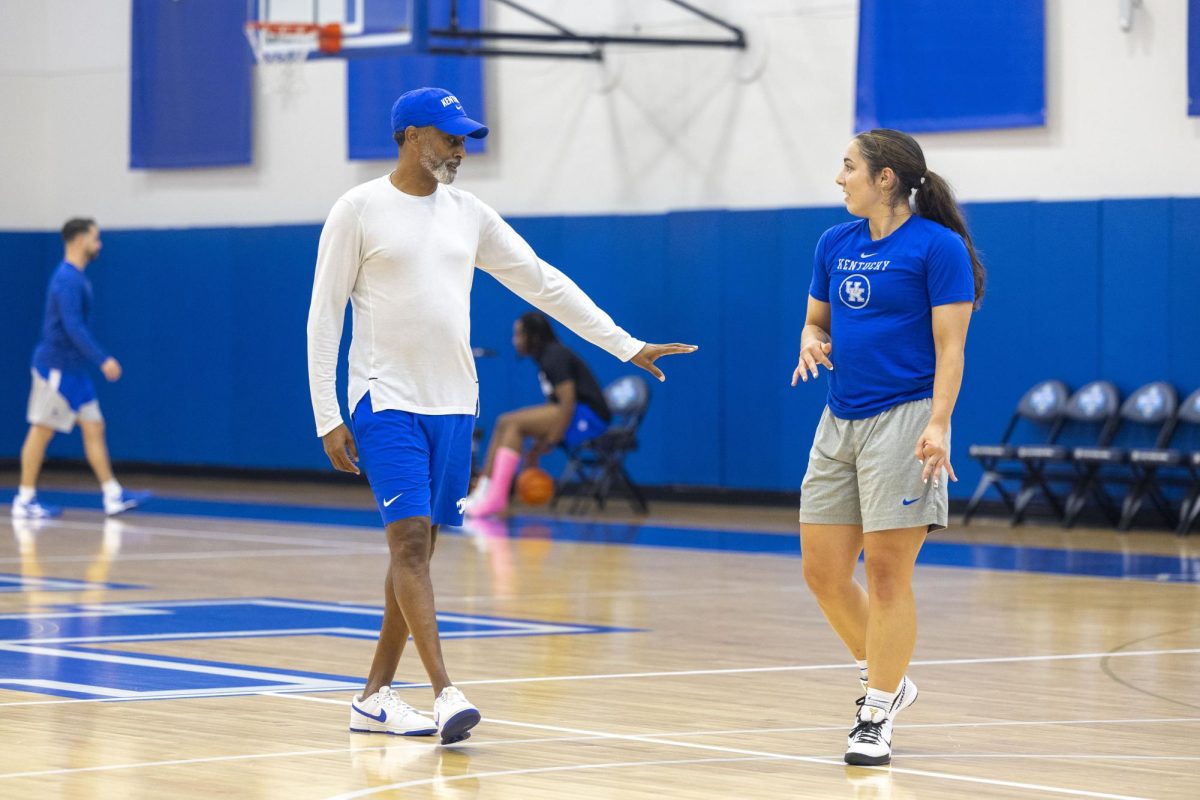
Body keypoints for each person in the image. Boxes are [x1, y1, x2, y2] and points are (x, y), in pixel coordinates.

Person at [307, 87, 697, 745]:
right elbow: (325, 316)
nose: (462, 147)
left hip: (455, 405)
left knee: (418, 550)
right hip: (384, 401)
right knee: (407, 545)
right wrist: (328, 413)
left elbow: (543, 282)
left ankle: (372, 696)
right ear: (409, 136)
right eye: (449, 135)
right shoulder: (358, 210)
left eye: (465, 137)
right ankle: (445, 690)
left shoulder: (469, 214)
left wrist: (626, 344)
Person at [791, 129, 983, 766]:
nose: (838, 178)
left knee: (886, 574)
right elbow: (817, 319)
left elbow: (951, 348)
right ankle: (890, 679)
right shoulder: (834, 243)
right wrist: (810, 341)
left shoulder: (938, 247)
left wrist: (940, 423)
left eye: (848, 167)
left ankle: (874, 713)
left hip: (905, 420)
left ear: (886, 179)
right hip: (839, 417)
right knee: (821, 572)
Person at [12, 218, 150, 520]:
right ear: (78, 240)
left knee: (94, 427)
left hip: (75, 371)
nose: (99, 245)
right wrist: (103, 358)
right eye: (95, 239)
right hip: (56, 370)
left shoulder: (78, 277)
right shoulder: (67, 279)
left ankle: (112, 495)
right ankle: (25, 498)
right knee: (41, 431)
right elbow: (72, 326)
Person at [465, 311, 612, 517]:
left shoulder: (554, 356)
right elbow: (554, 406)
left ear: (533, 336)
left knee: (514, 423)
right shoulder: (545, 357)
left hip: (589, 418)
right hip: (575, 414)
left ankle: (497, 497)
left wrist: (552, 439)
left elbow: (568, 401)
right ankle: (483, 491)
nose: (514, 340)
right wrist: (540, 441)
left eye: (518, 334)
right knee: (505, 421)